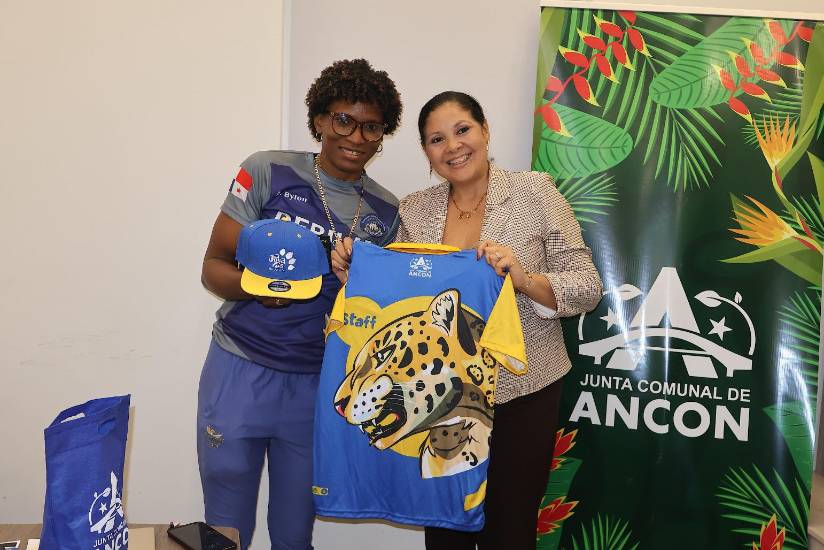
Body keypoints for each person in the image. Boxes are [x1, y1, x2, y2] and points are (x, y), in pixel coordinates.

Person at [331, 91, 602, 549]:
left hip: (524, 389)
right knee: (444, 529)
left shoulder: (535, 192)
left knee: (510, 529)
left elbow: (587, 286)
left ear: (485, 131)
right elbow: (403, 297)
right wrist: (352, 276)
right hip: (440, 398)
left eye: (462, 130)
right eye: (436, 139)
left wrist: (523, 279)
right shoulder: (415, 209)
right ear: (425, 151)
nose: (453, 146)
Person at [198, 58, 402, 550]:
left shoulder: (389, 212)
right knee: (225, 526)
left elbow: (379, 314)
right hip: (240, 368)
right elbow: (213, 267)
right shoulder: (267, 170)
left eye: (371, 127)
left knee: (294, 532)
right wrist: (261, 288)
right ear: (319, 120)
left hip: (317, 381)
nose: (356, 136)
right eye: (344, 120)